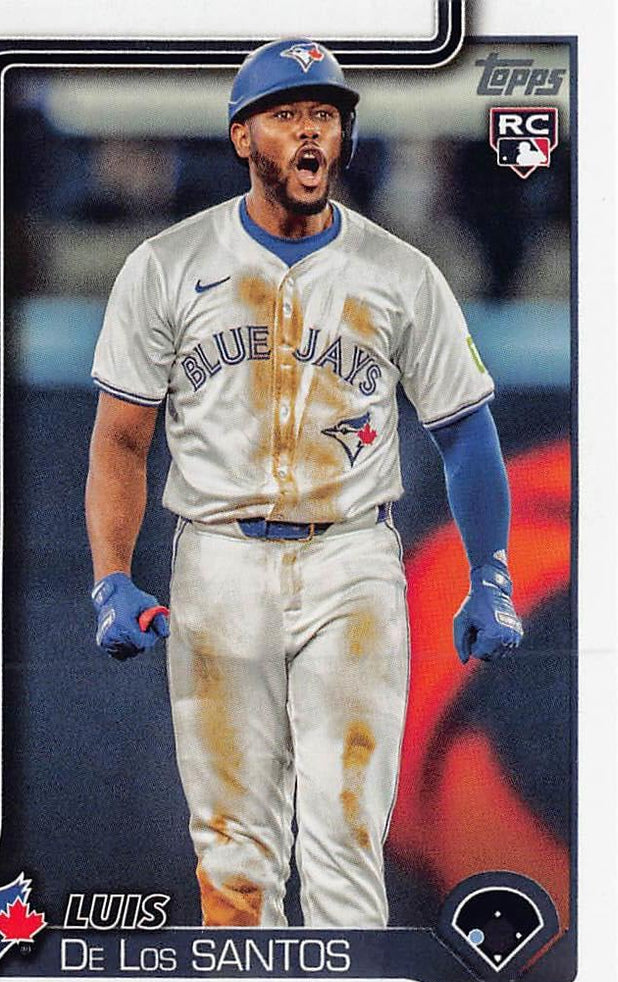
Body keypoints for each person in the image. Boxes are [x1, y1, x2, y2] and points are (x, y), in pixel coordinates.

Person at [85, 39, 523, 929]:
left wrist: (490, 572)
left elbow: (465, 430)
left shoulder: (399, 272)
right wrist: (110, 576)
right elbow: (121, 441)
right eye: (287, 115)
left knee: (347, 843)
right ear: (243, 136)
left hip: (350, 562)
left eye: (325, 114)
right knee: (233, 859)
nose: (311, 131)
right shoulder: (168, 264)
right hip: (218, 560)